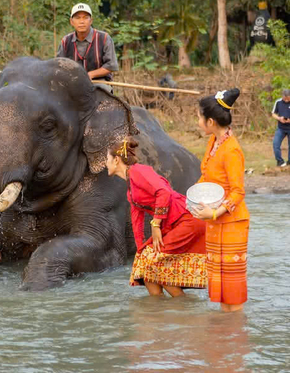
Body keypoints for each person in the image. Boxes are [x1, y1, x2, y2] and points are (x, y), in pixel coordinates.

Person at [106, 139, 207, 297]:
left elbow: (163, 192)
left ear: (116, 160)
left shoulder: (138, 171)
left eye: (107, 159)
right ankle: (159, 314)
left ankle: (183, 308)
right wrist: (140, 251)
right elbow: (137, 222)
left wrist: (155, 224)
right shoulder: (130, 190)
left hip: (186, 219)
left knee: (156, 265)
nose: (106, 163)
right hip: (174, 223)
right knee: (146, 269)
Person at [191, 89, 249, 312]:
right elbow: (207, 176)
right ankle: (224, 341)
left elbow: (237, 192)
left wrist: (214, 213)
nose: (198, 122)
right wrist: (191, 196)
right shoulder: (214, 142)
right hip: (215, 222)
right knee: (221, 288)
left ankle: (235, 340)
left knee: (232, 291)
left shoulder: (231, 150)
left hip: (232, 223)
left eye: (199, 117)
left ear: (211, 121)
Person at [56, 3, 119, 83]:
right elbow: (59, 66)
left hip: (99, 83)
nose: (82, 21)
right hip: (73, 83)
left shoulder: (104, 38)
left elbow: (111, 65)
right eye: (77, 18)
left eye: (85, 18)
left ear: (91, 21)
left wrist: (91, 75)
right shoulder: (65, 41)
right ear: (71, 22)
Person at [272, 89, 290, 167]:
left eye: (288, 98)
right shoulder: (278, 102)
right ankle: (280, 161)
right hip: (281, 128)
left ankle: (289, 161)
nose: (286, 99)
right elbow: (273, 114)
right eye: (284, 97)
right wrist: (279, 118)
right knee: (275, 144)